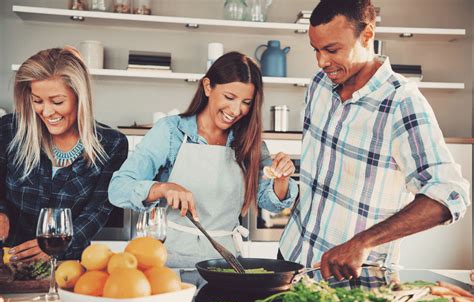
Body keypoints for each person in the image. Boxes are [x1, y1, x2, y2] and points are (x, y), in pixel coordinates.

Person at [279, 0, 470, 281]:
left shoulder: (402, 103)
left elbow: (450, 194)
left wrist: (363, 242)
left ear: (367, 35)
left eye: (332, 50)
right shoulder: (319, 85)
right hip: (292, 261)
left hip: (353, 283)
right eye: (316, 50)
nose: (321, 62)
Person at [109, 51, 298, 268]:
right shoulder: (171, 132)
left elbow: (270, 203)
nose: (236, 110)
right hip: (166, 260)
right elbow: (118, 189)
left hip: (225, 262)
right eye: (229, 97)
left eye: (246, 102)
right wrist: (163, 188)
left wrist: (282, 178)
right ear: (208, 87)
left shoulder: (249, 142)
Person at [0, 47, 128, 261]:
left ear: (80, 97)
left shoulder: (112, 144)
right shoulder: (8, 130)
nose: (47, 112)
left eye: (57, 102)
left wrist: (59, 246)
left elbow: (98, 210)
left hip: (68, 265)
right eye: (37, 101)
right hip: (9, 260)